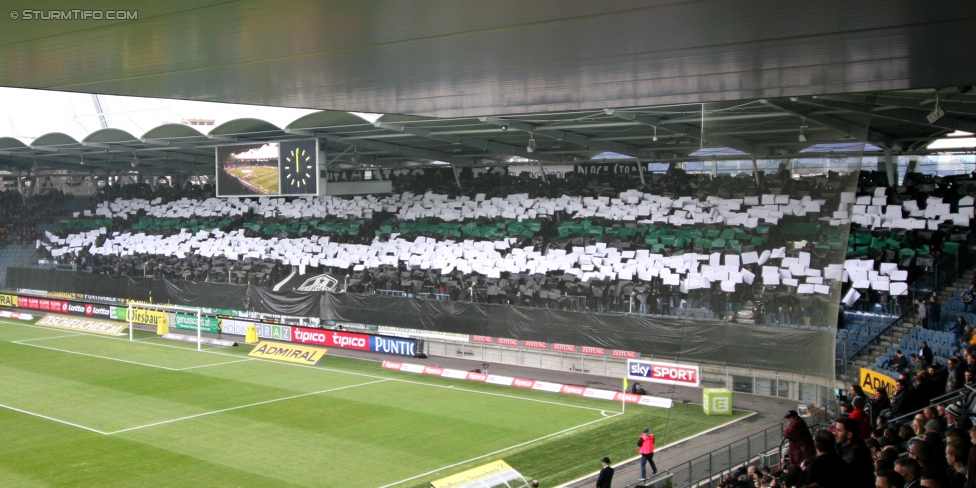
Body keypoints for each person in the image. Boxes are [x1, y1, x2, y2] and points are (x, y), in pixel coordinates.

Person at [834, 417, 875, 487]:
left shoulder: (860, 455)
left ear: (849, 435)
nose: (835, 433)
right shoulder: (837, 448)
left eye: (839, 431)